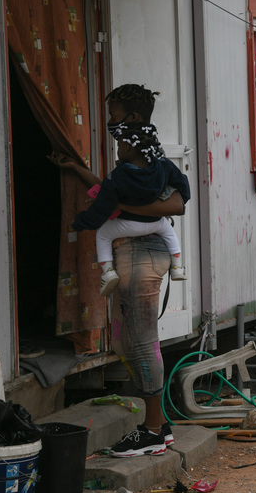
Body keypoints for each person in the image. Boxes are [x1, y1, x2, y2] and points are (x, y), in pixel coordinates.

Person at [51, 84, 184, 455]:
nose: (109, 124)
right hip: (135, 250)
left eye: (112, 117)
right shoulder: (133, 166)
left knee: (141, 340)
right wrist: (79, 170)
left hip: (143, 252)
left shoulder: (155, 163)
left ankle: (154, 430)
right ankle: (160, 426)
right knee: (130, 340)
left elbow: (176, 206)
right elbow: (111, 193)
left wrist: (128, 209)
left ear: (133, 119)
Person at [62, 121, 189, 297]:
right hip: (156, 223)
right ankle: (176, 267)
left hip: (126, 224)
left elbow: (101, 208)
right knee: (169, 233)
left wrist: (80, 222)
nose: (119, 149)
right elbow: (183, 188)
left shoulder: (118, 176)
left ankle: (107, 272)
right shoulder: (164, 166)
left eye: (120, 145)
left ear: (128, 148)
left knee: (103, 234)